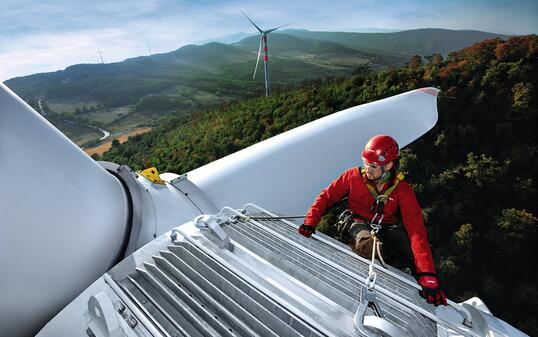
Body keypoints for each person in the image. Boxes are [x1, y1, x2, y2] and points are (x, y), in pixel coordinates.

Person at [298, 134, 447, 306]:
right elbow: (326, 197)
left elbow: (416, 231)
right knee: (368, 244)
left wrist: (427, 275)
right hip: (355, 222)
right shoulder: (352, 177)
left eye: (373, 166)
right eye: (365, 163)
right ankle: (388, 267)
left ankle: (419, 285)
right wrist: (310, 221)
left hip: (385, 228)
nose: (367, 169)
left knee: (409, 248)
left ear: (389, 165)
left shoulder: (402, 191)